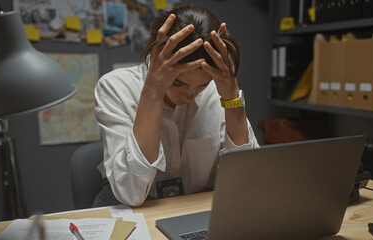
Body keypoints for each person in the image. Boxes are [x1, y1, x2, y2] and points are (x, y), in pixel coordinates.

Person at [93, 5, 259, 207]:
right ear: (155, 57)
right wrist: (153, 90)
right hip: (134, 205)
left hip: (193, 204)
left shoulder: (217, 88)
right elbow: (131, 193)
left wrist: (232, 97)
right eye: (178, 83)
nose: (190, 95)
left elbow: (247, 180)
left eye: (201, 85)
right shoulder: (115, 87)